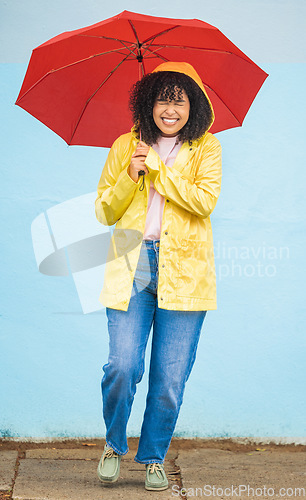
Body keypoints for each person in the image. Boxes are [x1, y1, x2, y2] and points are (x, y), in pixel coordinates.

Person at [94, 61, 222, 491]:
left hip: (184, 270)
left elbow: (204, 202)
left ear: (194, 106)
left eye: (180, 100)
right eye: (163, 98)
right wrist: (129, 178)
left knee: (169, 379)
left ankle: (152, 456)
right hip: (134, 264)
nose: (170, 109)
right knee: (122, 365)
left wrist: (160, 172)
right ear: (148, 102)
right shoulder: (124, 146)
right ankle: (114, 444)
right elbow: (104, 211)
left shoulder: (207, 148)